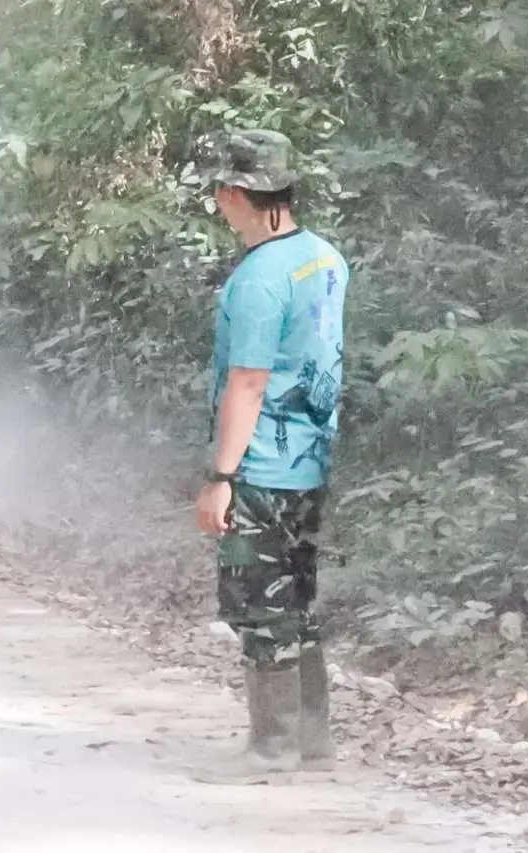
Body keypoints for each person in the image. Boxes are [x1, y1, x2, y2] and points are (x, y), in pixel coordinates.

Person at [194, 130, 349, 782]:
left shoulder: (257, 278)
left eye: (217, 193)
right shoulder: (323, 257)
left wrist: (220, 477)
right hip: (311, 461)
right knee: (297, 600)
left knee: (259, 607)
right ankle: (312, 743)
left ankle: (271, 747)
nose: (216, 204)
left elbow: (247, 381)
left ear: (235, 193)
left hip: (261, 466)